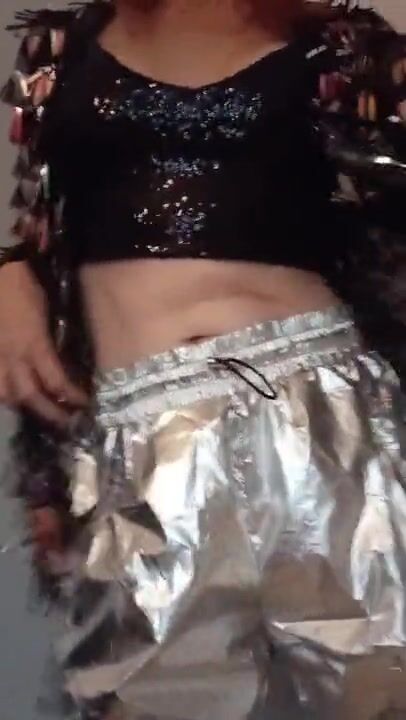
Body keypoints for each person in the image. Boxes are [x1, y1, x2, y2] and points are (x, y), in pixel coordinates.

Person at [1, 0, 406, 718]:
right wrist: (9, 272)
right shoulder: (61, 49)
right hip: (142, 435)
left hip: (320, 412)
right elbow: (38, 221)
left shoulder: (342, 51)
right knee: (140, 697)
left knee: (376, 691)